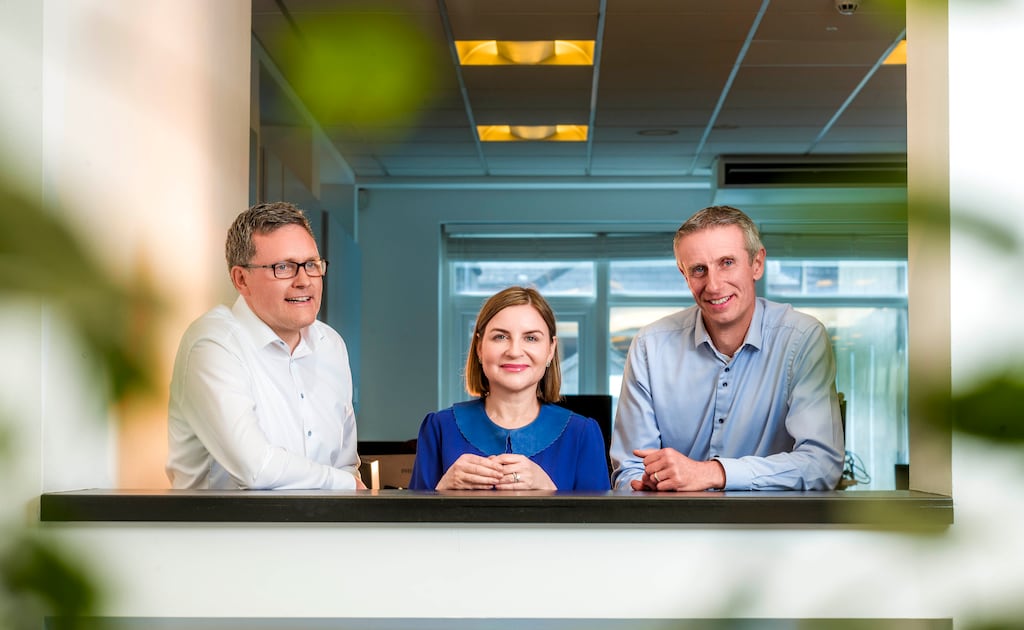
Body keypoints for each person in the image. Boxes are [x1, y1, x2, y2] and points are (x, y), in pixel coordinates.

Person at [610, 205, 844, 492]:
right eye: (698, 270)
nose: (714, 285)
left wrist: (713, 473)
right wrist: (647, 485)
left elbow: (822, 465)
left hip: (769, 528)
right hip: (671, 527)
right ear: (684, 275)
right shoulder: (650, 346)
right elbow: (629, 471)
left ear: (757, 264)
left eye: (727, 263)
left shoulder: (802, 338)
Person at [166, 202, 363, 489]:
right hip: (224, 532)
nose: (304, 281)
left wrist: (346, 486)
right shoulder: (212, 344)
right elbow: (256, 468)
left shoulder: (330, 344)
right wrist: (343, 484)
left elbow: (345, 463)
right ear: (241, 279)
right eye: (283, 267)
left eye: (311, 265)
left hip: (319, 530)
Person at [409, 286, 610, 491]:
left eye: (531, 338)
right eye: (500, 337)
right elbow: (409, 521)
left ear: (550, 349)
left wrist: (552, 492)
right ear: (479, 347)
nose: (514, 351)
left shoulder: (582, 434)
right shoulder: (439, 428)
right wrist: (439, 491)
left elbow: (602, 522)